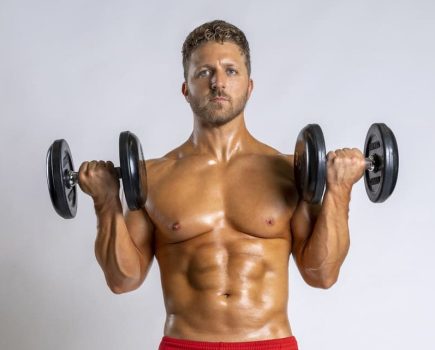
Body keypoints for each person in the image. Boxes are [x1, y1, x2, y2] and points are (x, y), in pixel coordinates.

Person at [78, 20, 366, 350]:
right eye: (204, 72)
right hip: (186, 343)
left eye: (231, 71)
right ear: (186, 88)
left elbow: (322, 275)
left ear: (249, 86)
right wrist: (105, 202)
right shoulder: (153, 178)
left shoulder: (292, 173)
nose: (218, 83)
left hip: (269, 342)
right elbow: (122, 279)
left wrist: (340, 190)